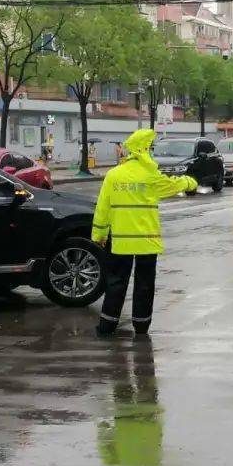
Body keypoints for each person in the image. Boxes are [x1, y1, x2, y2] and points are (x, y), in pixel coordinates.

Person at [92, 129, 198, 337]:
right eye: (151, 148)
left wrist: (99, 236)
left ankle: (107, 326)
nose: (152, 152)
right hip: (147, 242)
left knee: (116, 283)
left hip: (120, 242)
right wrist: (190, 182)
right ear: (144, 150)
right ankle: (141, 325)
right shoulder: (151, 175)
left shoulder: (113, 175)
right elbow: (173, 185)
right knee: (145, 284)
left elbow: (102, 209)